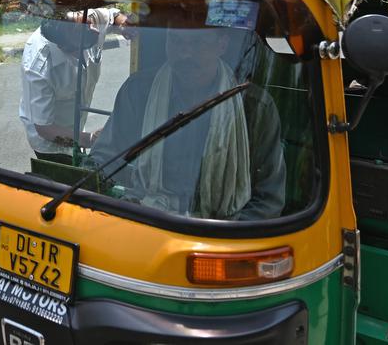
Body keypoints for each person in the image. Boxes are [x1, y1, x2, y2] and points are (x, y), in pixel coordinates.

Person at [90, 23, 286, 221]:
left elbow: (268, 200)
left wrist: (224, 233)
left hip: (220, 229)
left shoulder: (255, 107)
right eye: (176, 42)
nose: (185, 54)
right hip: (145, 218)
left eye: (198, 43)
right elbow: (105, 159)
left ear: (222, 45)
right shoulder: (138, 91)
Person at [18, 7, 126, 163]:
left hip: (76, 124)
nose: (96, 31)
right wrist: (90, 139)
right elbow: (44, 128)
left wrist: (124, 24)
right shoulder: (38, 67)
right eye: (83, 34)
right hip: (51, 145)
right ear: (64, 47)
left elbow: (113, 16)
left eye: (88, 23)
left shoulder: (85, 20)